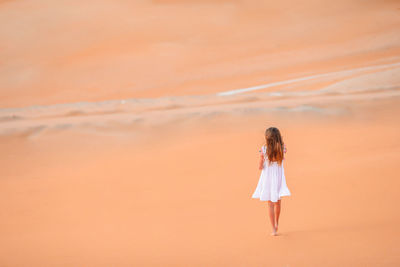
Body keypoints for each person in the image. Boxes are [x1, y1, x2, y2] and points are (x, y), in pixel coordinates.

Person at [251, 127, 291, 236]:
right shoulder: (282, 148)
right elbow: (283, 156)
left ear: (267, 138)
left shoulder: (264, 150)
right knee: (278, 202)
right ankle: (277, 222)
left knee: (270, 205)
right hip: (278, 178)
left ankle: (273, 229)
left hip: (268, 178)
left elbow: (260, 167)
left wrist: (262, 162)